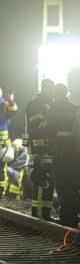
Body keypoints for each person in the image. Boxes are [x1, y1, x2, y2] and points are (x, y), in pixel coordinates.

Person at [45, 83, 80, 227]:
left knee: (62, 185)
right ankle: (73, 215)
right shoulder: (75, 108)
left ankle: (67, 218)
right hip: (75, 153)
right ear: (67, 93)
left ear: (55, 94)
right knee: (74, 184)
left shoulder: (53, 108)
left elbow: (49, 129)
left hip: (60, 152)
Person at [24, 78, 56, 220]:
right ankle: (38, 213)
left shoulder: (46, 104)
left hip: (47, 148)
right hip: (40, 148)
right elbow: (35, 128)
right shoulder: (37, 105)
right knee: (41, 179)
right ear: (45, 89)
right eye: (50, 89)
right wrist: (40, 149)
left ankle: (46, 212)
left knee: (48, 180)